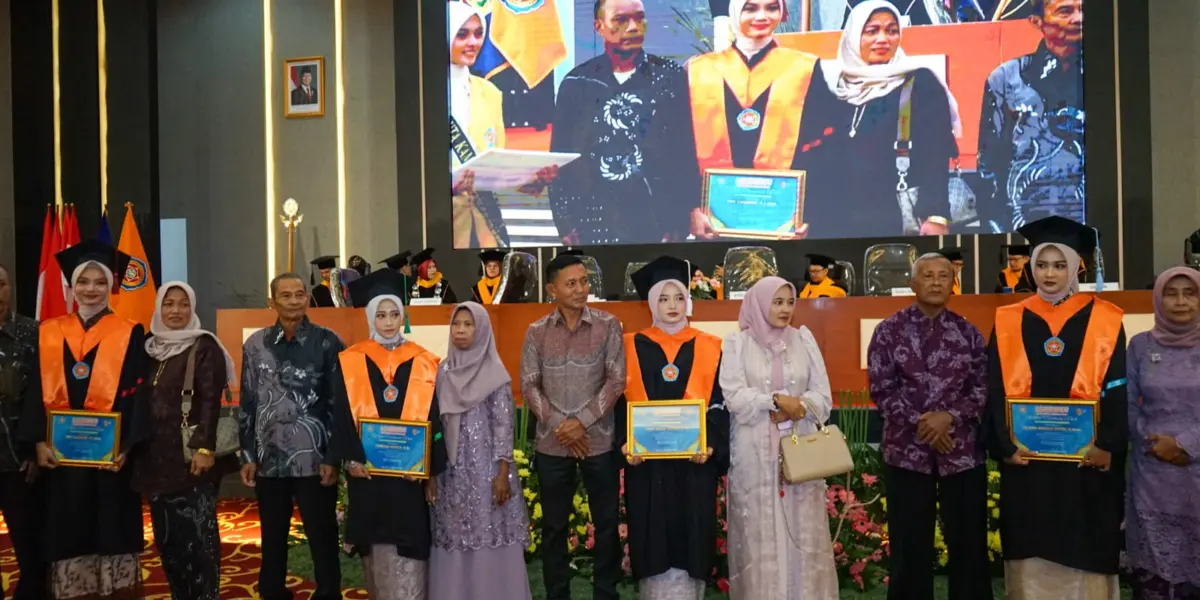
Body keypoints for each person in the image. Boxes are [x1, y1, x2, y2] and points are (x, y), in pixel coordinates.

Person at [984, 216, 1127, 599]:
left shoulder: (1105, 317)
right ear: (1031, 267)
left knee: (1085, 537)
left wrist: (1108, 443)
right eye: (1043, 265)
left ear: (1076, 267)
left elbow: (1117, 385)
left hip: (1086, 461)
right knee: (1031, 535)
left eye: (1060, 265)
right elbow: (994, 386)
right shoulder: (1009, 318)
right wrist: (1004, 446)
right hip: (1028, 461)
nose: (1050, 274)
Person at [19, 240, 149, 600]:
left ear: (110, 286)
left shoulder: (129, 331)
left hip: (110, 459)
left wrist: (127, 447)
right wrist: (39, 441)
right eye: (83, 282)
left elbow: (138, 393)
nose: (91, 289)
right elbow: (36, 389)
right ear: (72, 287)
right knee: (68, 524)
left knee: (111, 524)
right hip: (62, 459)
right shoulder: (49, 331)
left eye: (100, 282)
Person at [867, 253, 993, 600]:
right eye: (928, 275)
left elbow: (982, 388)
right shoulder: (888, 331)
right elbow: (882, 389)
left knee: (969, 545)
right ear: (913, 283)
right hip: (907, 454)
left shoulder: (968, 333)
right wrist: (923, 424)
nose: (936, 282)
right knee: (909, 548)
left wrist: (948, 417)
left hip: (961, 453)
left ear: (953, 284)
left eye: (944, 275)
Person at [615, 256, 730, 599]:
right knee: (651, 533)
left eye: (679, 297)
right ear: (652, 303)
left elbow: (720, 404)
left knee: (692, 530)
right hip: (647, 465)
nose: (672, 306)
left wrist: (710, 444)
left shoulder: (710, 345)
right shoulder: (629, 345)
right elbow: (617, 403)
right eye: (663, 298)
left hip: (693, 462)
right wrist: (624, 443)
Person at [329, 269, 448, 599]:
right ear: (370, 317)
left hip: (408, 479)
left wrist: (427, 468)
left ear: (403, 316)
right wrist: (351, 459)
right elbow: (341, 415)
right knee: (375, 544)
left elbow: (434, 418)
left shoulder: (424, 361)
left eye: (394, 314)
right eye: (380, 315)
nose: (388, 322)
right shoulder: (351, 360)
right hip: (368, 475)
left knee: (410, 541)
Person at [718, 276, 839, 598]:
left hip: (801, 452)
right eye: (777, 302)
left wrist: (798, 407)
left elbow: (823, 397)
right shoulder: (737, 344)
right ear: (759, 304)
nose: (785, 309)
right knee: (757, 530)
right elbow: (734, 396)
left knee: (803, 528)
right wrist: (774, 401)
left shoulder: (803, 339)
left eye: (789, 302)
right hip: (754, 455)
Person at [801, 0, 960, 239]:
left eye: (892, 30)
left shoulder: (919, 83)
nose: (883, 39)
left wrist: (936, 215)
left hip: (893, 219)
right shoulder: (833, 86)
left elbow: (935, 153)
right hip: (834, 219)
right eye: (872, 31)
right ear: (853, 35)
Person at [520, 252, 625, 600]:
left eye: (584, 281)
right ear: (552, 289)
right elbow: (529, 385)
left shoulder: (608, 325)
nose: (581, 289)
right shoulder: (536, 332)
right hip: (552, 444)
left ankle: (605, 593)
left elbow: (616, 381)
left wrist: (581, 423)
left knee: (607, 524)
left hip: (599, 441)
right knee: (554, 527)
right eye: (571, 283)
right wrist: (561, 426)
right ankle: (557, 594)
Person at [548, 0, 698, 244]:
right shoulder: (577, 82)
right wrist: (564, 221)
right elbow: (559, 157)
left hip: (657, 219)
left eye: (639, 18)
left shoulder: (669, 76)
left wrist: (681, 217)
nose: (633, 27)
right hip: (592, 220)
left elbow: (684, 150)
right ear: (599, 26)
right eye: (620, 20)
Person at [238, 272, 344, 600]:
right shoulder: (255, 345)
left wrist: (333, 457)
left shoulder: (328, 342)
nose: (294, 301)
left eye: (300, 294)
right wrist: (247, 454)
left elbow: (339, 404)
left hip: (315, 460)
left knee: (322, 536)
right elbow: (248, 401)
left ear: (307, 298)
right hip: (268, 459)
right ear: (272, 302)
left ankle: (328, 593)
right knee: (272, 536)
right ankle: (273, 592)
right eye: (286, 295)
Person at [685, 0, 826, 240]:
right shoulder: (699, 71)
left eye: (772, 8)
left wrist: (809, 214)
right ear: (734, 12)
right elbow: (681, 146)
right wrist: (690, 209)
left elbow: (822, 147)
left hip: (783, 221)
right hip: (712, 221)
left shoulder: (806, 69)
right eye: (750, 8)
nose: (762, 16)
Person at [132, 282, 236, 600]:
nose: (175, 310)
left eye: (183, 304)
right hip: (155, 462)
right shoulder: (148, 348)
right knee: (168, 542)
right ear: (158, 308)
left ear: (192, 308)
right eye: (168, 304)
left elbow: (210, 401)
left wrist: (204, 448)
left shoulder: (203, 346)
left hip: (192, 462)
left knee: (199, 542)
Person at [429, 301, 532, 600]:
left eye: (469, 324)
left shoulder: (494, 372)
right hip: (450, 472)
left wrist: (503, 473)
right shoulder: (442, 371)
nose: (460, 330)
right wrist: (431, 472)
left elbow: (504, 425)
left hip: (487, 471)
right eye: (456, 324)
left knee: (489, 533)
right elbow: (433, 422)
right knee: (454, 535)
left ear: (482, 330)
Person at [1125, 267, 1200, 599]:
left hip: (1196, 473)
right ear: (1157, 299)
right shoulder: (1140, 346)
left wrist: (1186, 445)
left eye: (1190, 293)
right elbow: (1127, 403)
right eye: (1171, 293)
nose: (1180, 301)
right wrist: (1154, 445)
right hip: (1152, 476)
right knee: (1155, 581)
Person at [976, 0, 1084, 228]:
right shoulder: (1007, 78)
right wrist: (995, 229)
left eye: (1083, 10)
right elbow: (989, 165)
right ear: (1037, 21)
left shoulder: (1108, 74)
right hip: (1022, 226)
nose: (1078, 19)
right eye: (1065, 11)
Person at [0, 263, 46, 600]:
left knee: (32, 553)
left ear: (10, 288)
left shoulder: (33, 333)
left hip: (20, 461)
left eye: (1, 284)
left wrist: (33, 448)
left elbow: (44, 395)